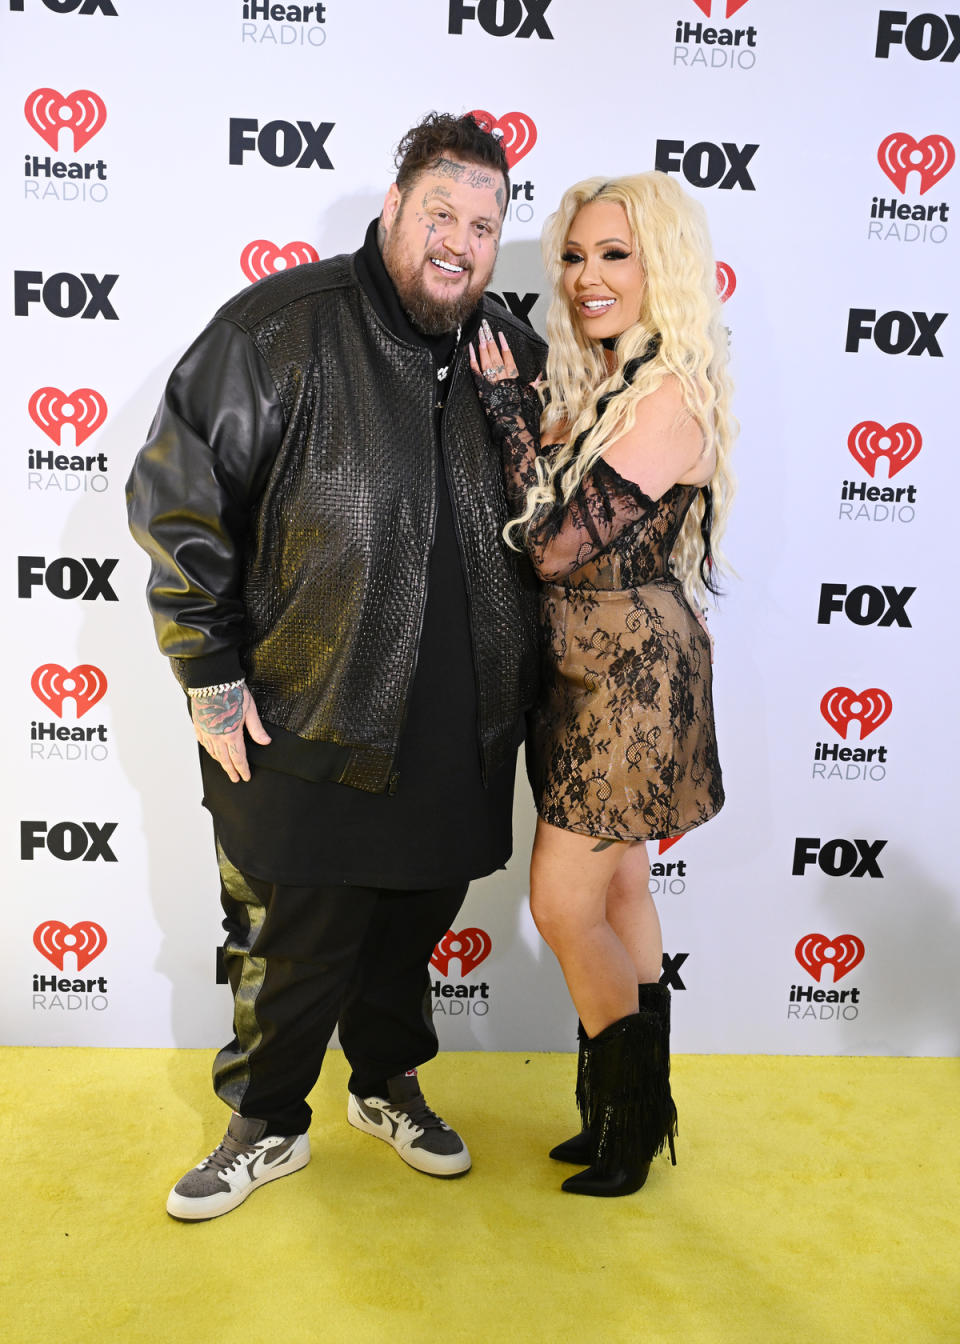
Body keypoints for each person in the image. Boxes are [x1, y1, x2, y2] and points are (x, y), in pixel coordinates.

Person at [126, 112, 545, 1221]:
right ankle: (265, 1121)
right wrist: (209, 675)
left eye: (484, 224)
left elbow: (556, 523)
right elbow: (177, 501)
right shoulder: (281, 329)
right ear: (393, 211)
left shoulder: (514, 351)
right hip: (310, 701)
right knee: (297, 936)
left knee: (412, 926)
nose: (458, 241)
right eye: (440, 214)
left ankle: (385, 1082)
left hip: (461, 725)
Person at [471, 171, 734, 1197]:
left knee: (563, 901)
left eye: (614, 255)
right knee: (622, 884)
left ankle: (624, 1127)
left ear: (659, 265)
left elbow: (551, 548)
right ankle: (633, 1112)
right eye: (575, 255)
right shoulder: (613, 386)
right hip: (582, 672)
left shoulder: (666, 395)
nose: (585, 277)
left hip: (628, 680)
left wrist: (504, 413)